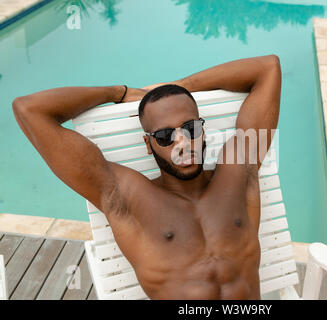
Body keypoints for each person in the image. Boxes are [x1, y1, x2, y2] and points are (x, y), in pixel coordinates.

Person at [12, 55, 282, 299]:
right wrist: (118, 93)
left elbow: (267, 68)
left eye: (189, 128)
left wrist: (179, 85)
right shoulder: (124, 196)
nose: (182, 143)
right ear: (148, 144)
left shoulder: (239, 170)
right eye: (164, 136)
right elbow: (29, 110)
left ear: (202, 129)